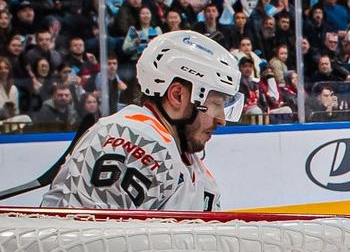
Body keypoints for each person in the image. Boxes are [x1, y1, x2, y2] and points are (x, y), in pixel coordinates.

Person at [43, 29, 239, 212]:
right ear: (177, 95)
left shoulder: (193, 168)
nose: (221, 119)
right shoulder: (135, 140)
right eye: (215, 104)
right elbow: (92, 242)